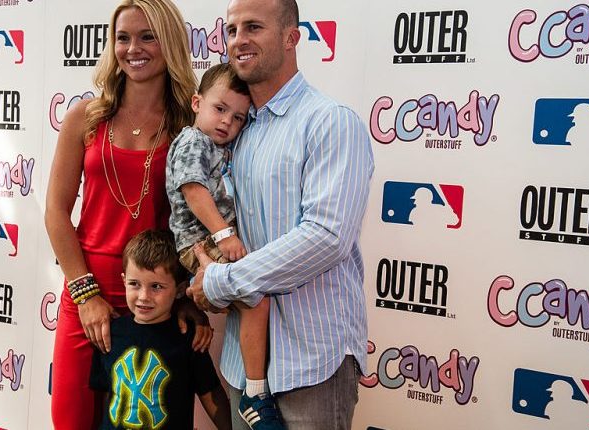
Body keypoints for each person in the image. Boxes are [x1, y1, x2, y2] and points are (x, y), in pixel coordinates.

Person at [186, 0, 375, 428]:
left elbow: (326, 236)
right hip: (242, 361)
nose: (239, 39)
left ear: (292, 37)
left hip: (313, 359)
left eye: (253, 27)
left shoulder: (330, 121)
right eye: (231, 30)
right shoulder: (234, 129)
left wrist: (221, 281)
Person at [44, 1, 210, 428]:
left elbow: (193, 223)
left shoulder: (188, 128)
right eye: (123, 37)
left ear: (169, 42)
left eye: (147, 36)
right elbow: (56, 214)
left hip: (152, 297)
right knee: (72, 420)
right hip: (85, 295)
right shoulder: (84, 117)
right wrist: (85, 295)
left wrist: (184, 295)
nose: (132, 48)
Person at [166, 63, 283, 428]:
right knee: (256, 298)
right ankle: (255, 393)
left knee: (255, 302)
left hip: (211, 239)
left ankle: (256, 387)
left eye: (238, 118)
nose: (227, 123)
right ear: (197, 102)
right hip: (199, 240)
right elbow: (193, 190)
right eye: (219, 109)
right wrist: (223, 234)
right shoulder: (192, 140)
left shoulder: (224, 146)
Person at [90, 230, 231, 430]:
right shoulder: (109, 334)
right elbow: (106, 396)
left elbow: (210, 393)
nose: (143, 296)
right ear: (123, 281)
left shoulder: (187, 338)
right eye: (134, 284)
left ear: (180, 290)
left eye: (156, 286)